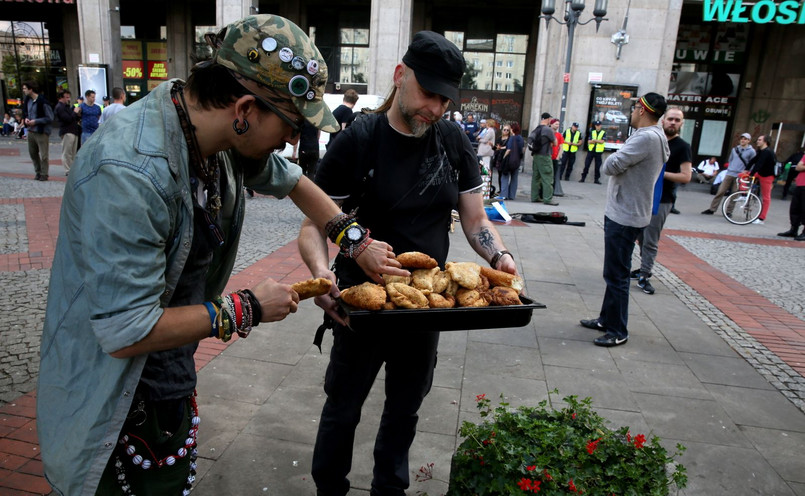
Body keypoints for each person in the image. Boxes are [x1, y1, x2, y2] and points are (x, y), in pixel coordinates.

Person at [37, 14, 351, 496]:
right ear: (245, 108)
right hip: (112, 398)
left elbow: (290, 180)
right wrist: (245, 308)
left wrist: (356, 242)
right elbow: (125, 330)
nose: (294, 140)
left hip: (168, 378)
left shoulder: (214, 134)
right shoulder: (131, 172)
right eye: (291, 124)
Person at [297, 30, 519, 496]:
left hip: (426, 306)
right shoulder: (357, 139)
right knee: (343, 407)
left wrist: (500, 256)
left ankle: (389, 489)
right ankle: (328, 488)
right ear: (400, 77)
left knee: (405, 409)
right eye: (428, 93)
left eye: (445, 99)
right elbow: (313, 226)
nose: (435, 108)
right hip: (360, 305)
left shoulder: (453, 141)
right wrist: (322, 281)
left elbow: (476, 217)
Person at [579, 93, 669, 347]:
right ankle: (606, 319)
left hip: (625, 215)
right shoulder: (653, 136)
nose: (631, 112)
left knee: (617, 275)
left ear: (642, 109)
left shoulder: (647, 137)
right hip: (628, 211)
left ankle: (618, 330)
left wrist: (615, 157)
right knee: (613, 272)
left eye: (634, 108)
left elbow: (610, 166)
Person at [631, 107, 692, 295]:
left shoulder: (682, 147)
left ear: (681, 124)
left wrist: (661, 173)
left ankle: (645, 275)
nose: (673, 123)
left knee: (650, 239)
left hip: (662, 199)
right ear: (663, 120)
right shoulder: (654, 139)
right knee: (639, 237)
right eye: (670, 119)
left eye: (677, 120)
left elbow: (686, 176)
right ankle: (642, 267)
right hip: (642, 196)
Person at [702, 133, 755, 214]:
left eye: (745, 139)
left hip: (740, 175)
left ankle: (729, 211)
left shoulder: (751, 151)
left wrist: (747, 172)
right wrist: (730, 168)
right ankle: (712, 209)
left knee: (734, 194)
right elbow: (731, 160)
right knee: (720, 191)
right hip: (730, 173)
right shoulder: (735, 149)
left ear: (748, 141)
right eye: (742, 138)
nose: (742, 140)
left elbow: (753, 163)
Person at [22, 81, 54, 181]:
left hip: (41, 131)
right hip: (31, 131)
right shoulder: (28, 100)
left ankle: (44, 173)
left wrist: (36, 121)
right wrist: (26, 118)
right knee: (33, 153)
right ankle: (38, 172)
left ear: (31, 89)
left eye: (25, 89)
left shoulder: (42, 101)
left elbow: (50, 118)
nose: (23, 91)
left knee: (44, 154)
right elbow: (26, 112)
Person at [746, 134, 777, 224]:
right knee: (741, 175)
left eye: (760, 140)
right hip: (760, 173)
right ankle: (744, 193)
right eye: (758, 139)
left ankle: (762, 218)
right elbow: (753, 160)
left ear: (765, 141)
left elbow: (759, 164)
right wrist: (746, 170)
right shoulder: (761, 151)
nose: (757, 141)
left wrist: (751, 175)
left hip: (767, 176)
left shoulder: (767, 152)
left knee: (766, 197)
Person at [528, 112, 558, 205]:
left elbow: (530, 140)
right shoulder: (548, 130)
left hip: (536, 155)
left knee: (536, 177)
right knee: (547, 177)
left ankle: (534, 197)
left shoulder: (536, 129)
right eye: (550, 119)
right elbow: (555, 143)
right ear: (547, 119)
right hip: (545, 156)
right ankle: (548, 199)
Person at [53, 90, 81, 176]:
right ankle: (68, 169)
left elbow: (73, 118)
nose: (68, 98)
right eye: (66, 97)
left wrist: (77, 115)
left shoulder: (66, 107)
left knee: (73, 152)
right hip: (67, 131)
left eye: (69, 96)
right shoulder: (60, 107)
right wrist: (75, 113)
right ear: (61, 97)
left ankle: (72, 169)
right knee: (67, 152)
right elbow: (67, 119)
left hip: (73, 131)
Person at [777, 156, 805, 240]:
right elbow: (798, 167)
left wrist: (802, 166)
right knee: (795, 208)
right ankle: (793, 229)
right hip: (800, 184)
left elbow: (801, 166)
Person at [499, 122, 524, 200]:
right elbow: (522, 150)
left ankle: (504, 195)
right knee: (514, 178)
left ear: (512, 129)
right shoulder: (520, 138)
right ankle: (512, 195)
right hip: (517, 160)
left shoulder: (512, 138)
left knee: (505, 177)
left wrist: (503, 157)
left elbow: (508, 149)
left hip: (509, 160)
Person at [493, 123, 511, 195]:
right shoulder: (499, 138)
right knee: (499, 174)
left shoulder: (510, 139)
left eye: (507, 130)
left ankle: (504, 190)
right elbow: (495, 148)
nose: (506, 131)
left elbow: (508, 148)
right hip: (498, 158)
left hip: (505, 158)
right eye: (504, 130)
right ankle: (501, 189)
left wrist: (501, 148)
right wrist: (493, 146)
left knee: (504, 174)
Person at [550, 118, 565, 196]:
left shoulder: (559, 135)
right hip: (548, 157)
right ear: (551, 124)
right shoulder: (548, 133)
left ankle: (551, 192)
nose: (557, 126)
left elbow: (561, 147)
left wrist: (558, 157)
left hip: (555, 158)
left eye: (558, 124)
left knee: (554, 176)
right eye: (556, 124)